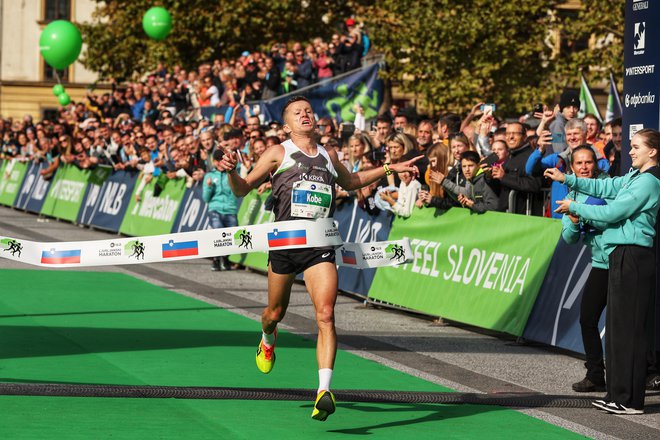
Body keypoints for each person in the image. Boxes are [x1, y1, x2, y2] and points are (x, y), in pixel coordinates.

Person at [217, 96, 421, 421]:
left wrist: (387, 169)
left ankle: (323, 390)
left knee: (325, 314)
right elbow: (242, 189)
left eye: (309, 111)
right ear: (287, 125)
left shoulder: (329, 154)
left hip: (320, 245)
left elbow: (351, 182)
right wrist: (230, 174)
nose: (305, 115)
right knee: (274, 313)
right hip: (285, 245)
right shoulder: (277, 153)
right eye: (297, 113)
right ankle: (267, 338)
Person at [545, 128, 660, 415]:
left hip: (634, 256)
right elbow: (604, 188)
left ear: (653, 151)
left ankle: (630, 400)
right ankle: (616, 394)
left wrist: (575, 207)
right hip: (620, 255)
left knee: (629, 332)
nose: (630, 151)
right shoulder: (634, 177)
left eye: (636, 147)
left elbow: (611, 213)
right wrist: (566, 179)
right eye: (631, 147)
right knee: (618, 332)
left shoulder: (649, 182)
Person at [558, 146, 609, 393]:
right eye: (579, 163)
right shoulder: (572, 192)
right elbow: (568, 237)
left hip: (620, 261)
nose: (584, 167)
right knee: (588, 317)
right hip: (600, 263)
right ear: (572, 167)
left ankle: (645, 372)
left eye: (589, 162)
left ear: (596, 164)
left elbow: (610, 217)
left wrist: (580, 213)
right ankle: (596, 375)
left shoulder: (608, 186)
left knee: (626, 323)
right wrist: (575, 221)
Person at [203, 149, 239, 271]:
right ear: (213, 162)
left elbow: (238, 190)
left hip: (230, 209)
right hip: (215, 209)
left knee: (231, 236)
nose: (220, 163)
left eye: (222, 160)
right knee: (218, 233)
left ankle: (225, 258)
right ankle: (216, 259)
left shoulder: (233, 173)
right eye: (217, 160)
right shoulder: (209, 176)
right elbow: (206, 198)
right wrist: (209, 187)